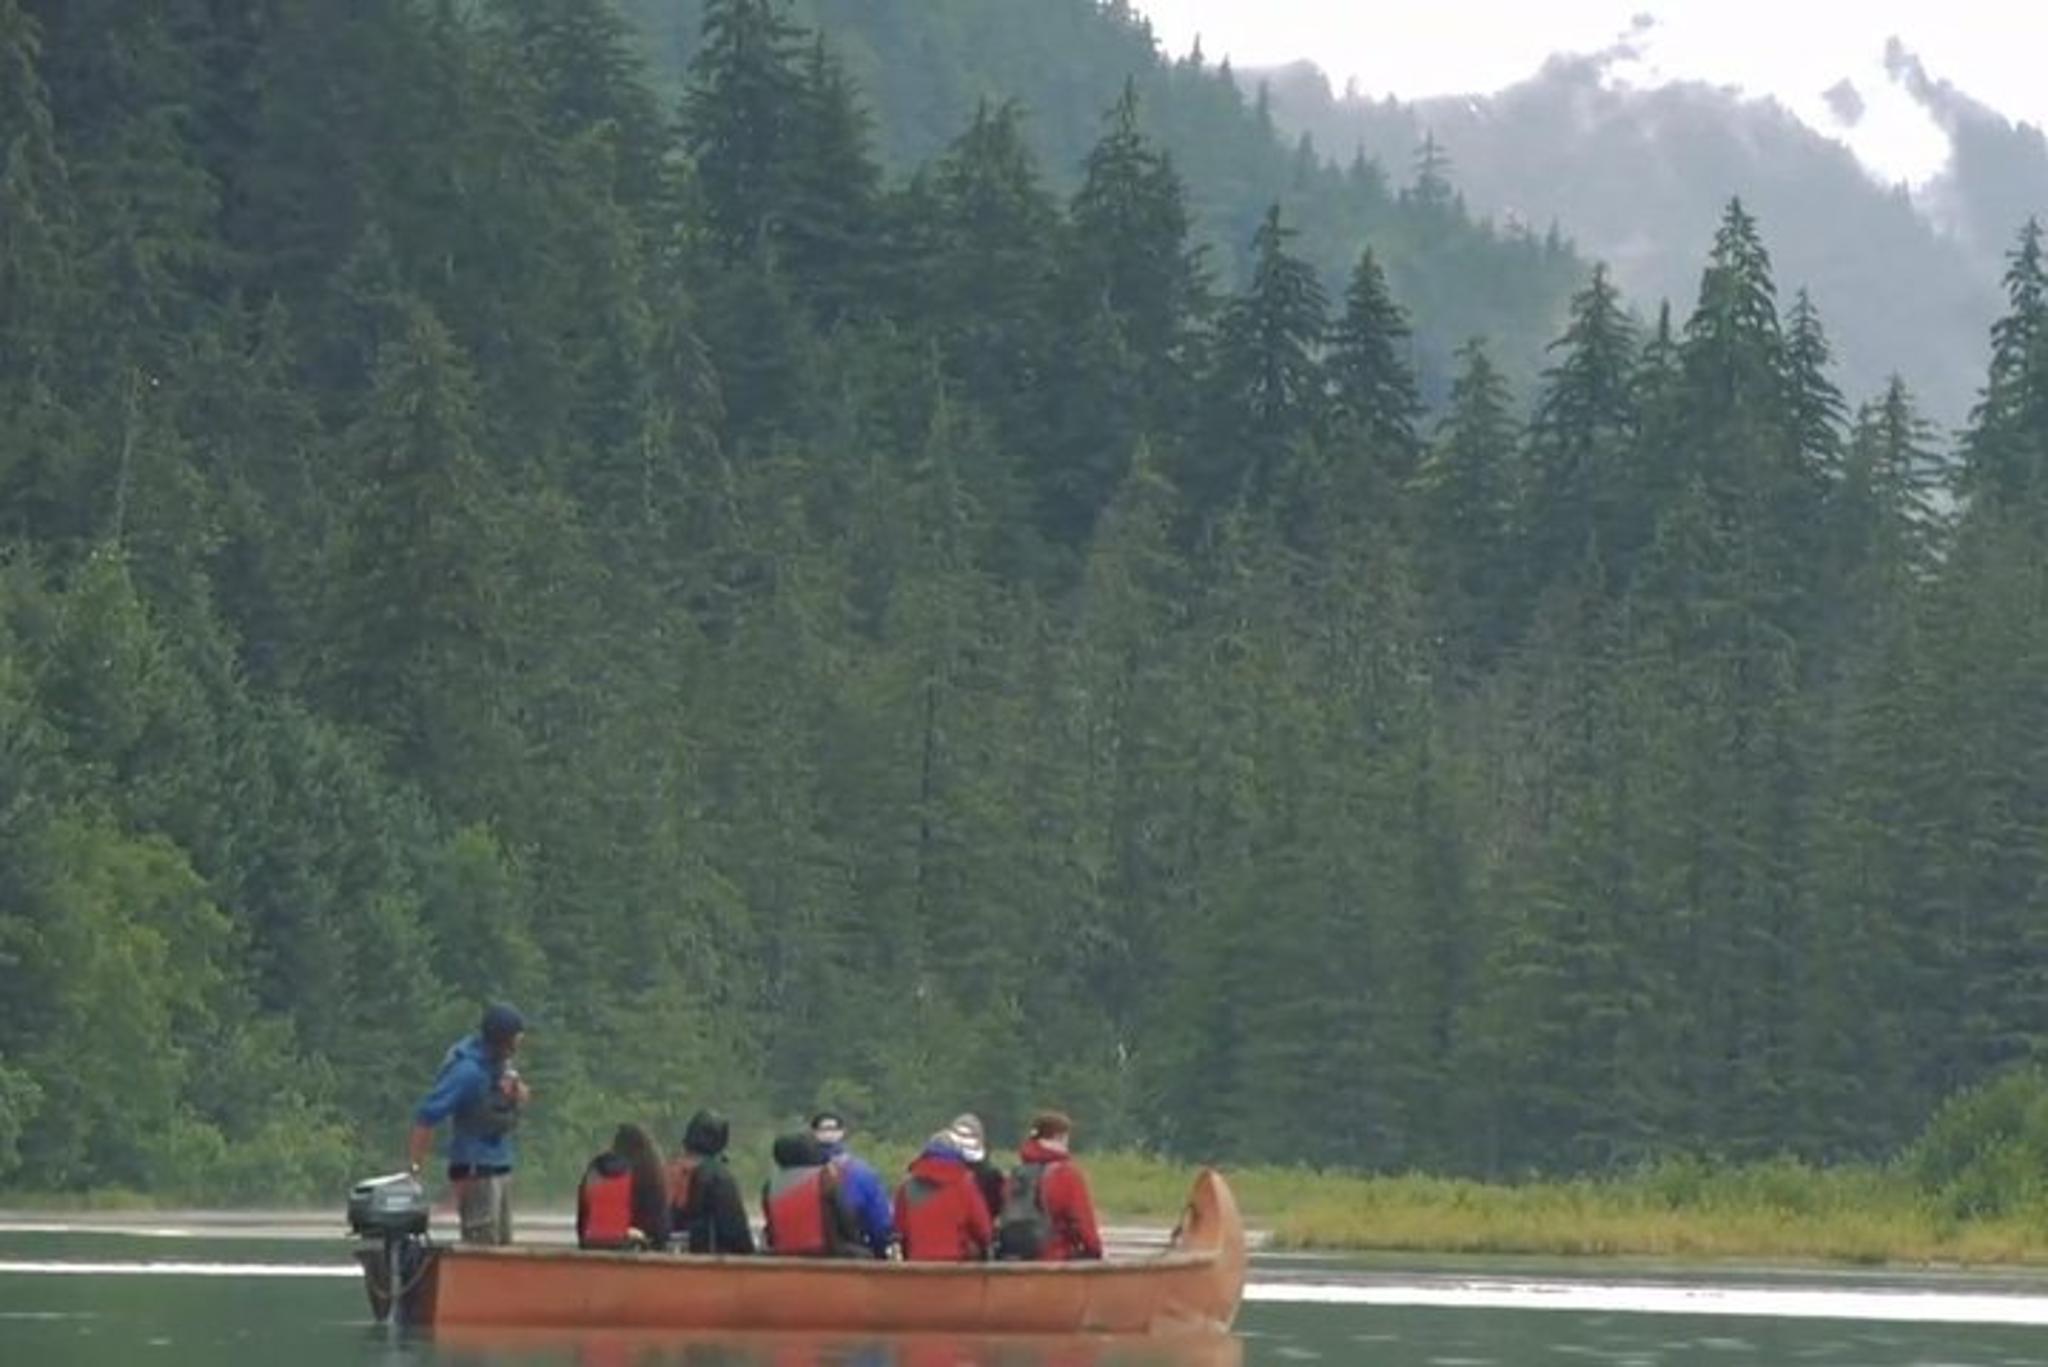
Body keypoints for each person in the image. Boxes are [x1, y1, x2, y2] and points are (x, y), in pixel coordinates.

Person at [408, 1003, 531, 1245]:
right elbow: (427, 1116)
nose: (519, 1044)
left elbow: (523, 1098)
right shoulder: (467, 1072)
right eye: (517, 1038)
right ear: (503, 1039)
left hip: (500, 1167)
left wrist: (516, 1092)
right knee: (482, 1246)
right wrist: (414, 1170)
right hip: (476, 1170)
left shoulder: (501, 1065)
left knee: (503, 1249)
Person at [996, 1110, 1103, 1262]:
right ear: (1060, 1137)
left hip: (1016, 1258)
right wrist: (1094, 1251)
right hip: (1054, 1259)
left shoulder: (1016, 1174)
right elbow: (1084, 1221)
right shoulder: (1067, 1174)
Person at [893, 1115, 993, 1262]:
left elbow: (899, 1229)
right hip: (956, 1267)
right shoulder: (964, 1184)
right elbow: (983, 1230)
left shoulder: (907, 1186)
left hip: (917, 1266)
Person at [667, 1109, 755, 1254]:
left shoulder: (668, 1169)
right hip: (707, 1263)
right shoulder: (718, 1177)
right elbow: (735, 1230)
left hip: (668, 1260)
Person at [809, 1109, 895, 1259]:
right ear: (843, 1133)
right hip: (851, 1255)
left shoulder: (796, 1174)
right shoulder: (863, 1172)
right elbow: (880, 1225)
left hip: (803, 1257)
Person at [762, 1133, 861, 1256]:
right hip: (828, 1254)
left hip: (783, 1254)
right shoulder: (825, 1178)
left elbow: (771, 1229)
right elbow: (847, 1223)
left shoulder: (770, 1185)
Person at [577, 1123, 670, 1250]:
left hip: (592, 1247)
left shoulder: (597, 1169)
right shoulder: (649, 1173)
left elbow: (583, 1219)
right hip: (634, 1249)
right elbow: (659, 1227)